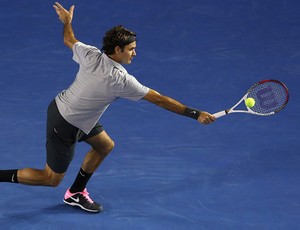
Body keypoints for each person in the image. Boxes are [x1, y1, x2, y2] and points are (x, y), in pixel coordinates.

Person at [0, 2, 215, 213]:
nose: (135, 54)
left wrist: (66, 22)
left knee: (105, 145)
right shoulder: (120, 80)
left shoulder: (91, 53)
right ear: (118, 49)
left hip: (66, 109)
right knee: (50, 179)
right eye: (131, 49)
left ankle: (75, 192)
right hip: (65, 122)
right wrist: (195, 114)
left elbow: (69, 39)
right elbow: (159, 99)